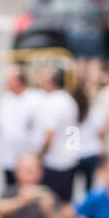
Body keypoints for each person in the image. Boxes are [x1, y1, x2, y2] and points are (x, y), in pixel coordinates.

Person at [35, 67, 81, 206]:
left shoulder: (52, 103)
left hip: (54, 161)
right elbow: (73, 129)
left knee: (51, 203)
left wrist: (39, 156)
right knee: (66, 201)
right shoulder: (69, 100)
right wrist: (73, 151)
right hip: (69, 159)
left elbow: (49, 134)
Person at [0, 65, 43, 188]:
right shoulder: (6, 99)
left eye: (9, 79)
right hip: (9, 157)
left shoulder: (35, 99)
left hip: (29, 158)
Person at [73, 76, 105, 197]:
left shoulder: (71, 112)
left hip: (76, 154)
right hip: (91, 152)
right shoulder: (95, 112)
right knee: (89, 186)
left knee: (75, 186)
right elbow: (100, 132)